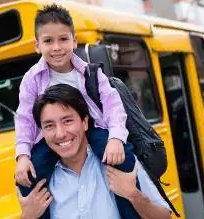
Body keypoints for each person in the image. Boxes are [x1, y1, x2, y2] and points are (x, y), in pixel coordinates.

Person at [14, 3, 140, 218]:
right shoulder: (32, 78)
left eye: (63, 39)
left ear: (75, 41)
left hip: (93, 127)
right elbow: (25, 119)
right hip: (52, 135)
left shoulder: (90, 72)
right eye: (48, 41)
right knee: (28, 176)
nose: (56, 47)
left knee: (124, 159)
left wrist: (116, 139)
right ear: (37, 45)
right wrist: (22, 156)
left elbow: (114, 106)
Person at [17, 84, 172, 219]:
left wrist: (133, 194)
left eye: (68, 121)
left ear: (85, 122)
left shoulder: (120, 162)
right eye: (49, 125)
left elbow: (164, 217)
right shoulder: (37, 177)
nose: (60, 133)